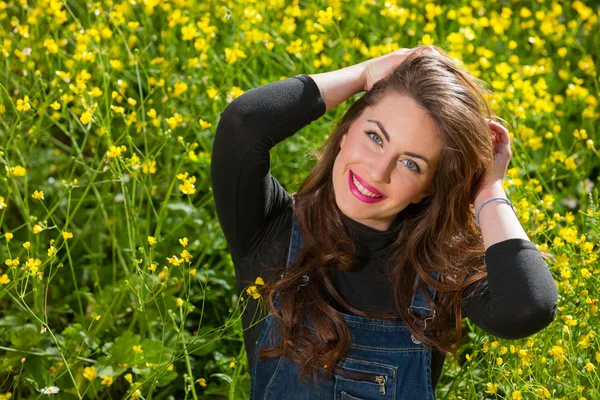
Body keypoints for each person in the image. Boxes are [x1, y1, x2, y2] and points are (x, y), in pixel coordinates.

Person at [210, 45, 558, 399]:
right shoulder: (271, 231)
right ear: (346, 130)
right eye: (374, 137)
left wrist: (487, 188)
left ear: (428, 189)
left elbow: (528, 306)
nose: (378, 172)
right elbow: (243, 124)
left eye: (412, 164)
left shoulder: (440, 273)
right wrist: (364, 73)